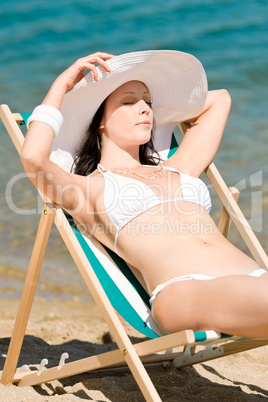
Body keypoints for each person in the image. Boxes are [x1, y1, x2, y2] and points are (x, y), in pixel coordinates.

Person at [21, 51, 268, 338]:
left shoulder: (179, 168)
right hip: (183, 289)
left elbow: (219, 99)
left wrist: (158, 117)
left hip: (252, 277)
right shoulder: (88, 189)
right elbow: (33, 158)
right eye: (128, 102)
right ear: (99, 120)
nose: (145, 109)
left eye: (148, 103)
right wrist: (63, 86)